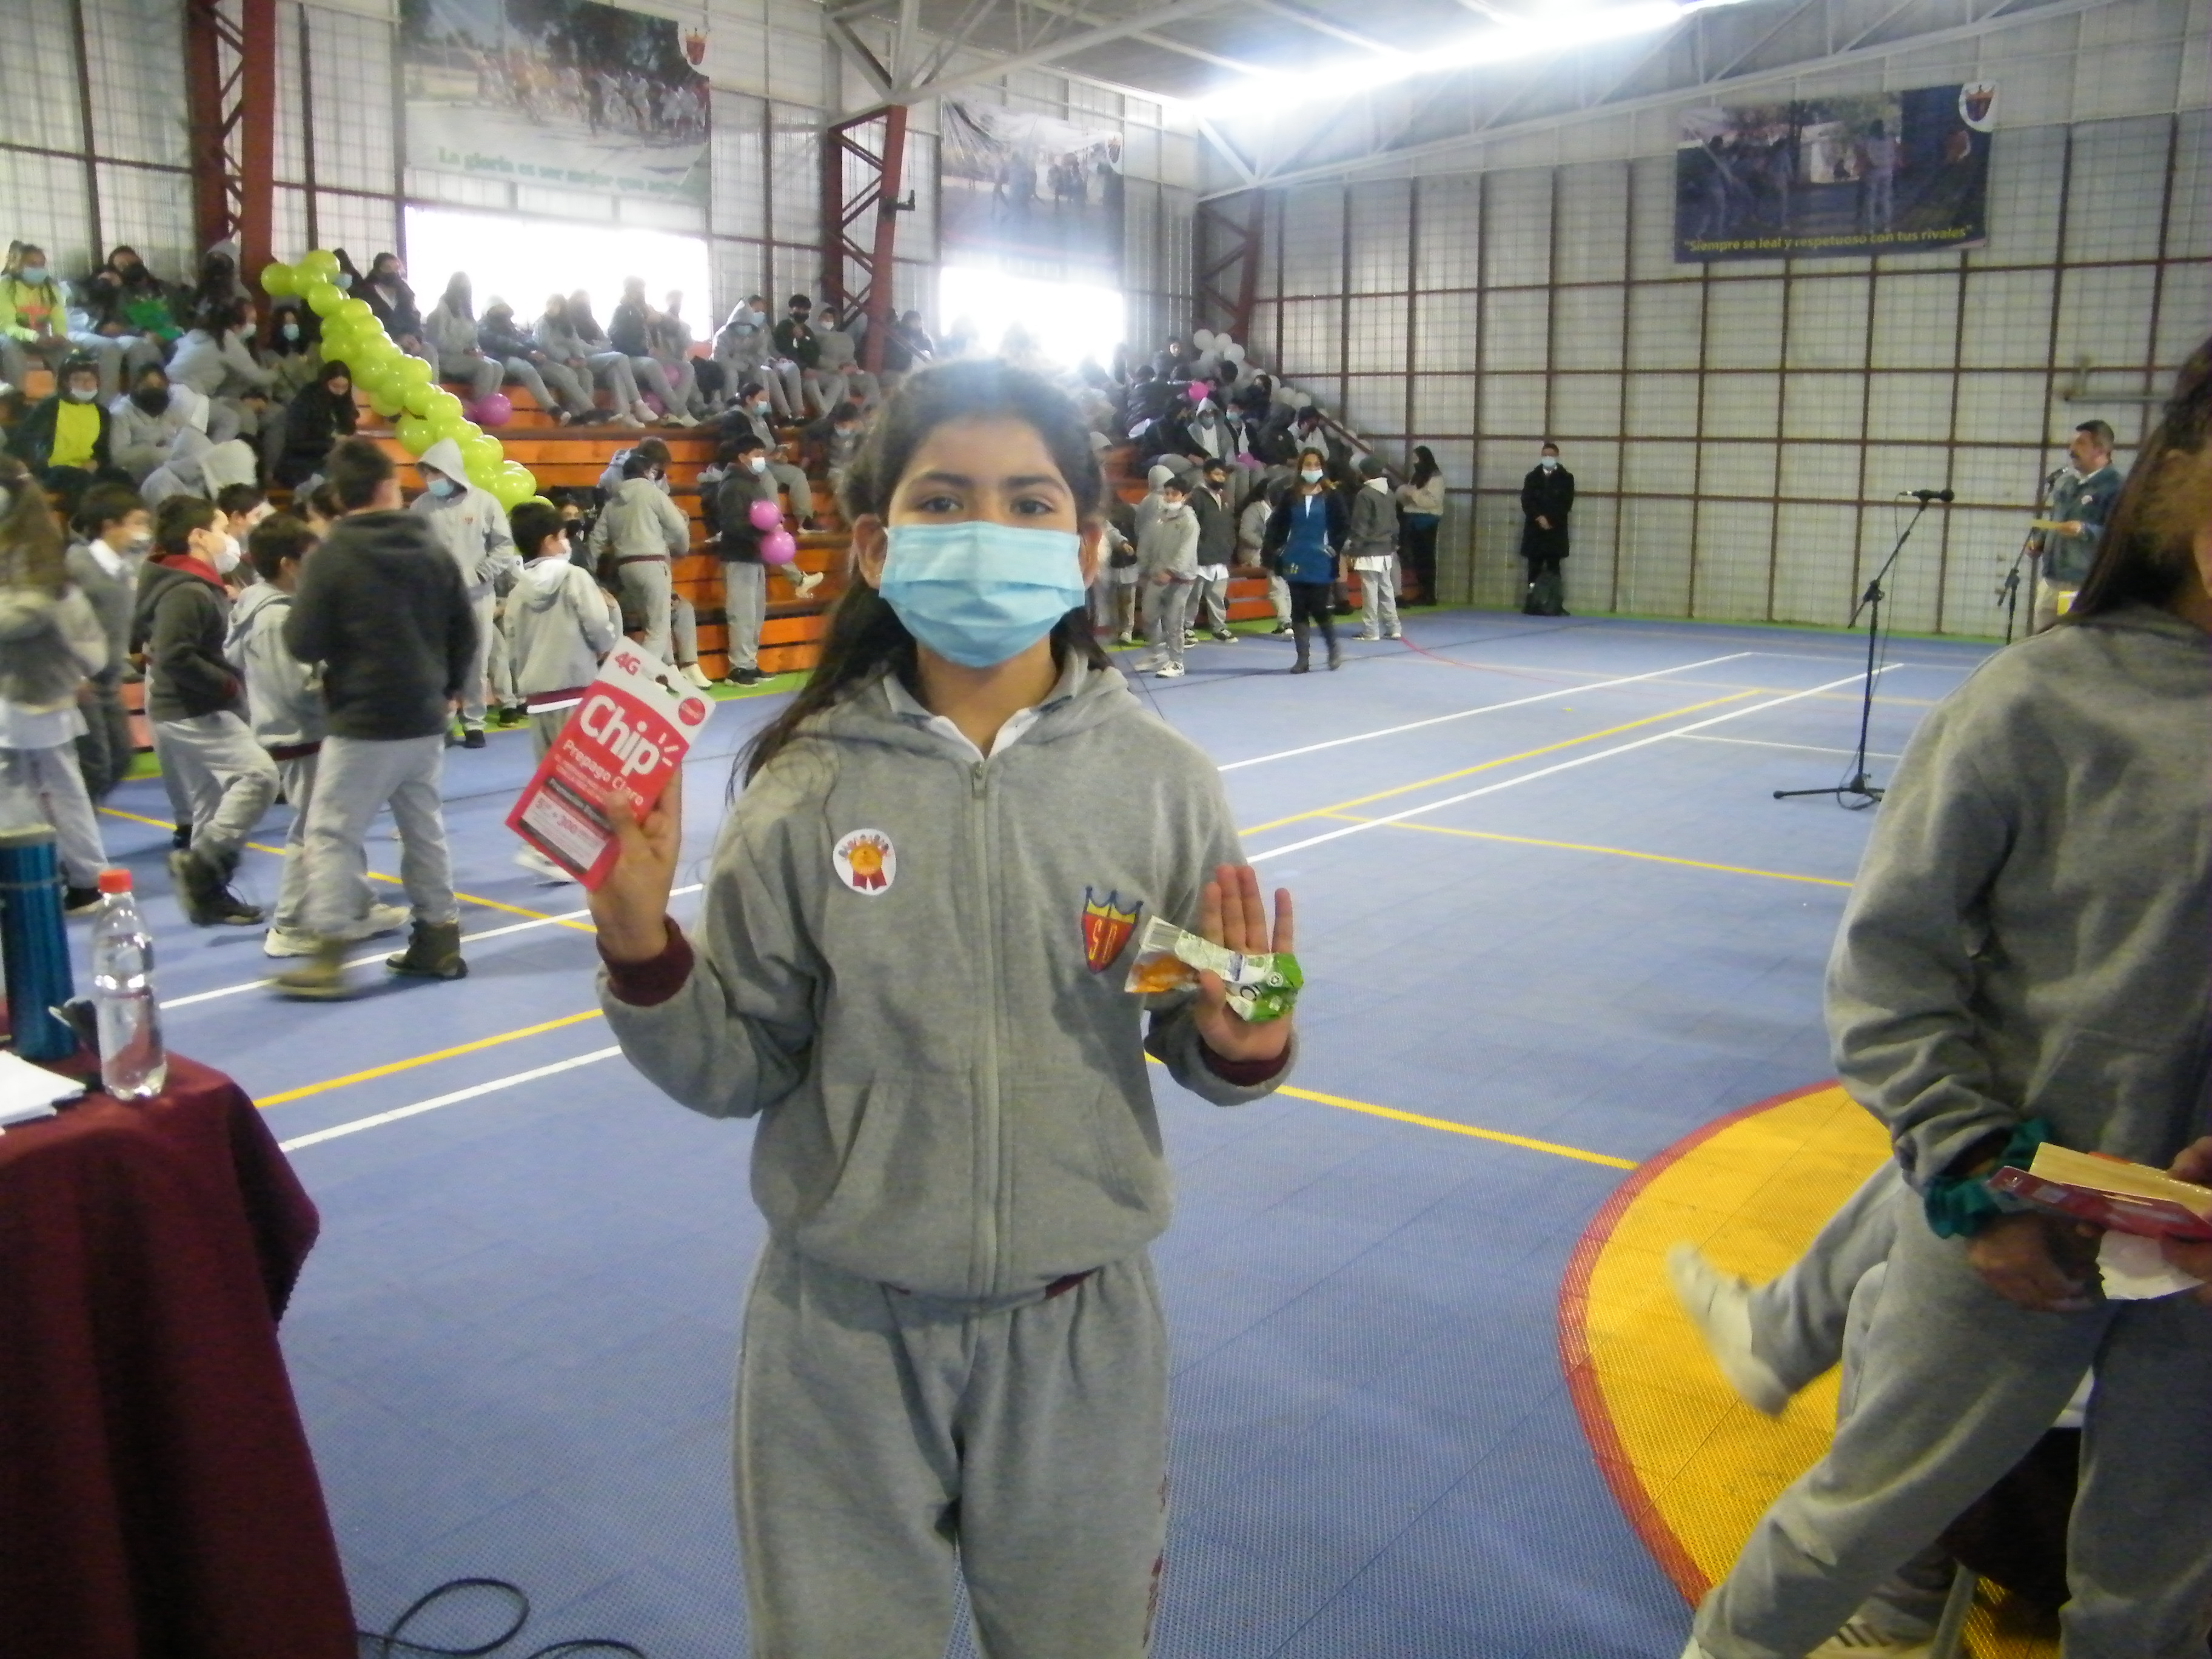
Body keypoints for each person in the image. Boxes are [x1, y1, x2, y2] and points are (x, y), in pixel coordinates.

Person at [585, 358, 1297, 1658]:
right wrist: (642, 951)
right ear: (874, 545)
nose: (986, 530)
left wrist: (1247, 1039)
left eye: (1029, 503)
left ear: (1087, 545)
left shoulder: (1161, 784)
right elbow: (739, 1066)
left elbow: (1200, 1003)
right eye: (943, 499)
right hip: (839, 1333)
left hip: (1077, 1328)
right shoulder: (802, 787)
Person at [1681, 342, 2212, 1659]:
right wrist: (1973, 1176)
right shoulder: (2041, 698)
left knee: (2158, 1582)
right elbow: (1890, 966)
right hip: (2017, 1231)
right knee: (1857, 1519)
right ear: (2181, 495)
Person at [272, 437, 476, 998]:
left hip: (364, 717)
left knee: (331, 832)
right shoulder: (431, 547)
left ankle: (330, 952)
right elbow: (465, 627)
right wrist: (450, 687)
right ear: (391, 486)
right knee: (422, 827)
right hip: (425, 714)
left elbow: (302, 640)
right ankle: (439, 937)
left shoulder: (334, 554)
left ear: (339, 496)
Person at [229, 513, 407, 958]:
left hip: (304, 733)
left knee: (337, 826)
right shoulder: (275, 619)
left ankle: (356, 906)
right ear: (289, 564)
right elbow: (298, 689)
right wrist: (344, 683)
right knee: (313, 833)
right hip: (301, 735)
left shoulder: (268, 608)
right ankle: (290, 925)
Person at [132, 494, 276, 927]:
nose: (228, 538)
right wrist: (226, 683)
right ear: (197, 536)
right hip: (193, 707)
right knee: (259, 776)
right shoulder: (187, 590)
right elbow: (175, 654)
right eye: (220, 529)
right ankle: (204, 866)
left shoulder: (182, 582)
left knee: (209, 805)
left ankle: (209, 896)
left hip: (184, 705)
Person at [0, 455, 111, 914]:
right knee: (47, 785)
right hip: (28, 689)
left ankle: (61, 879)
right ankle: (78, 878)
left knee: (33, 787)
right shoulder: (24, 545)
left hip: (31, 691)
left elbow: (29, 613)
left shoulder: (31, 554)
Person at [504, 498, 619, 882]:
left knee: (552, 775)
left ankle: (546, 847)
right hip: (575, 687)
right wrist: (605, 647)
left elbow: (513, 643)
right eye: (561, 535)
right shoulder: (574, 578)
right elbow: (598, 623)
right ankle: (553, 847)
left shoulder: (519, 590)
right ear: (551, 540)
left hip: (538, 697)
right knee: (586, 774)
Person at [412, 437, 519, 745]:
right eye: (427, 473)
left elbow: (503, 547)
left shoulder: (485, 503)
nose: (431, 479)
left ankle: (474, 722)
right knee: (439, 661)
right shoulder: (420, 507)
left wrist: (480, 574)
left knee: (477, 661)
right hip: (436, 600)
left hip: (477, 596)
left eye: (436, 472)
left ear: (451, 470)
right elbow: (412, 548)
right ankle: (443, 722)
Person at [590, 448, 708, 686]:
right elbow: (678, 526)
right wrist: (681, 549)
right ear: (647, 472)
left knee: (650, 623)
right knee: (658, 628)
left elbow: (596, 540)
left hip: (625, 568)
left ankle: (664, 674)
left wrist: (592, 575)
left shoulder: (612, 502)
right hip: (652, 563)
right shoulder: (653, 494)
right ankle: (638, 680)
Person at [64, 482, 148, 801]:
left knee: (121, 759)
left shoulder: (123, 569)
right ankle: (71, 825)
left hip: (110, 681)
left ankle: (79, 819)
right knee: (94, 765)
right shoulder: (78, 565)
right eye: (136, 523)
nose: (143, 531)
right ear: (110, 525)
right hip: (81, 683)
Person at [2027, 418, 2123, 632]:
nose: (2071, 449)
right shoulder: (2066, 483)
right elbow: (2055, 520)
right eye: (2071, 443)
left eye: (2080, 443)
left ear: (2101, 449)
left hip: (2084, 585)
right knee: (2042, 643)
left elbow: (2121, 536)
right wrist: (2040, 542)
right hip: (2051, 581)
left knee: (2074, 642)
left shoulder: (2116, 487)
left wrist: (2085, 530)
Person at [1262, 449, 1347, 672]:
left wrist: (1334, 547)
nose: (1312, 468)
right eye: (1308, 464)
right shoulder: (1290, 495)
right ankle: (1303, 659)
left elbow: (1343, 525)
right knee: (1298, 609)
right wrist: (1278, 548)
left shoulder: (1332, 495)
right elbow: (1277, 524)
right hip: (1295, 557)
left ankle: (1333, 648)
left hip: (1321, 559)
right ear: (1300, 467)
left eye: (1316, 464)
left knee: (1319, 606)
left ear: (1322, 467)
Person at [9, 355, 127, 513]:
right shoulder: (50, 407)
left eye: (90, 379)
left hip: (86, 469)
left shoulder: (102, 413)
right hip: (51, 471)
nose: (85, 384)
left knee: (122, 478)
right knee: (80, 479)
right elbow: (24, 443)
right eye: (78, 379)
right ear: (65, 382)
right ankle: (79, 523)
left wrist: (96, 462)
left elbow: (103, 452)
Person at [536, 293, 651, 426]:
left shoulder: (567, 324)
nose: (551, 307)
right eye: (549, 304)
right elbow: (546, 345)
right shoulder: (542, 323)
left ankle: (580, 415)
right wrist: (567, 359)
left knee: (587, 374)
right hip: (552, 362)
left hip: (572, 361)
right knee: (569, 373)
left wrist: (580, 358)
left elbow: (575, 343)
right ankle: (591, 411)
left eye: (555, 304)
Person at [169, 300, 274, 444]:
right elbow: (258, 377)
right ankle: (213, 457)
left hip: (169, 388)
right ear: (235, 324)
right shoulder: (226, 340)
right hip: (188, 395)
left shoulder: (195, 334)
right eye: (251, 321)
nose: (253, 326)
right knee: (229, 419)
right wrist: (276, 371)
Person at [478, 297, 597, 424]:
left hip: (525, 356)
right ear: (489, 310)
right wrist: (528, 352)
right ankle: (554, 409)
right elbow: (501, 343)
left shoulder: (511, 326)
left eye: (503, 307)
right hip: (502, 358)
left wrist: (537, 350)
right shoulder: (483, 327)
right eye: (498, 307)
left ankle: (588, 411)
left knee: (565, 372)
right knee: (527, 369)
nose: (502, 311)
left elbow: (525, 339)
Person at [64, 265, 164, 399]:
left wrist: (141, 332)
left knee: (138, 345)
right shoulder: (73, 287)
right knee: (109, 347)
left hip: (111, 334)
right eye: (109, 278)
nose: (109, 284)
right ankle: (108, 402)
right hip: (75, 330)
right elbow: (64, 313)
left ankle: (137, 399)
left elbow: (126, 322)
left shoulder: (120, 294)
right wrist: (97, 326)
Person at [594, 285, 686, 424]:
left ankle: (675, 412)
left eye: (642, 290)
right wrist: (645, 347)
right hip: (633, 356)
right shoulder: (622, 311)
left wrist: (661, 318)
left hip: (651, 355)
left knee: (687, 367)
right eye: (637, 290)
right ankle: (680, 412)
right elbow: (618, 341)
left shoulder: (646, 309)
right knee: (651, 364)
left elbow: (673, 329)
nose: (640, 293)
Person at [274, 358, 358, 490]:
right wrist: (332, 443)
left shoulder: (344, 405)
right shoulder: (306, 402)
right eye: (335, 386)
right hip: (304, 462)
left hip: (332, 460)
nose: (340, 392)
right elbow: (296, 443)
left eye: (344, 388)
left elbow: (349, 430)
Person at [0, 246, 76, 391]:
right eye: (32, 264)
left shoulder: (51, 287)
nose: (38, 269)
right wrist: (34, 337)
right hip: (9, 336)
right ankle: (17, 395)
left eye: (42, 264)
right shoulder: (5, 285)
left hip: (40, 337)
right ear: (18, 265)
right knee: (10, 346)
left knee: (69, 348)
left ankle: (66, 394)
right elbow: (7, 326)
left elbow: (59, 318)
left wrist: (60, 336)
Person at [422, 273, 506, 403]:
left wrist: (477, 350)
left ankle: (489, 405)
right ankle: (479, 406)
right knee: (486, 368)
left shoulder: (467, 312)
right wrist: (464, 350)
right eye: (460, 286)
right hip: (446, 358)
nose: (464, 290)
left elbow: (473, 338)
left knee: (498, 367)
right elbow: (439, 342)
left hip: (467, 355)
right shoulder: (439, 312)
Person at [109, 362, 196, 483]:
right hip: (142, 473)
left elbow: (186, 434)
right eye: (148, 386)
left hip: (175, 462)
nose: (155, 390)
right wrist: (150, 451)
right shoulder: (121, 413)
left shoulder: (170, 407)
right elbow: (118, 457)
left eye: (160, 385)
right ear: (137, 387)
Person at [1347, 455, 1401, 641]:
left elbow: (1360, 525)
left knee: (1370, 592)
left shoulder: (1365, 495)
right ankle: (1394, 627)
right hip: (1386, 549)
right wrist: (1394, 543)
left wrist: (1354, 550)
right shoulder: (1390, 493)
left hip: (1368, 550)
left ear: (1364, 473)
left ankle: (1371, 630)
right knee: (1386, 590)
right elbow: (1395, 523)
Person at [1519, 441, 1573, 617]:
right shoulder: (1532, 477)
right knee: (1533, 569)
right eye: (1545, 455)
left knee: (1554, 568)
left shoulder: (1566, 478)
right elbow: (1527, 501)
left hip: (1555, 531)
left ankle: (1555, 604)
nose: (1548, 458)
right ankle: (1532, 603)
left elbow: (1566, 504)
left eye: (1551, 455)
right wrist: (1539, 517)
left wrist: (1551, 520)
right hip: (1535, 531)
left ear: (1557, 457)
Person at [1190, 459, 1239, 642]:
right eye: (1216, 474)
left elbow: (1229, 526)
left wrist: (1229, 545)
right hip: (1200, 557)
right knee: (1193, 596)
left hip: (1221, 555)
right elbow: (1191, 527)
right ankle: (1186, 627)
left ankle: (1219, 627)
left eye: (1223, 475)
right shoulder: (1196, 497)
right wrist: (1198, 549)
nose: (1221, 478)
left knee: (1217, 596)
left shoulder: (1225, 498)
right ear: (1206, 475)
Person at [1240, 483, 1291, 636]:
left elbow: (1273, 541)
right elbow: (1246, 533)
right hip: (1281, 555)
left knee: (1278, 590)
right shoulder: (1289, 512)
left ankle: (1286, 622)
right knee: (1283, 589)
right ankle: (1288, 621)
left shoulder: (1279, 515)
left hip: (1278, 557)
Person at [1396, 446, 1444, 606]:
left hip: (1427, 521)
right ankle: (1422, 592)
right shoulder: (1417, 476)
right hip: (1413, 519)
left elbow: (1433, 501)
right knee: (1417, 559)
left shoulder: (1435, 478)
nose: (1414, 462)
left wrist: (1413, 494)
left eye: (1417, 459)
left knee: (1426, 558)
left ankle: (1429, 594)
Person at [360, 252, 427, 363]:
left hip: (408, 340)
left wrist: (416, 339)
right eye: (388, 268)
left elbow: (414, 319)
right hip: (381, 343)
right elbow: (369, 325)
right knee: (397, 349)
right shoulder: (366, 294)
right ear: (377, 271)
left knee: (429, 350)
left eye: (397, 269)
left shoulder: (406, 293)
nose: (393, 273)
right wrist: (397, 338)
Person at [772, 293, 830, 416]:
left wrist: (802, 339)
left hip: (810, 369)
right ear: (790, 310)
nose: (802, 312)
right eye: (799, 309)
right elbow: (786, 352)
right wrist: (803, 369)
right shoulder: (783, 327)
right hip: (794, 371)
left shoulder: (807, 331)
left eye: (805, 310)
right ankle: (823, 415)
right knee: (811, 382)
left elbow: (814, 355)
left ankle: (828, 412)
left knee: (837, 381)